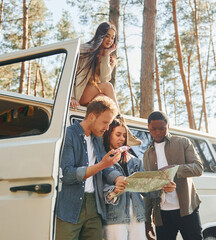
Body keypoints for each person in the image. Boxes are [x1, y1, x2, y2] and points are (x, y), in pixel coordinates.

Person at [55, 96, 126, 240]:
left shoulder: (96, 139)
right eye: (105, 122)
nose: (107, 128)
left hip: (95, 206)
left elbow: (104, 168)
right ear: (92, 116)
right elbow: (68, 175)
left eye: (109, 123)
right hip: (70, 207)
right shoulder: (68, 134)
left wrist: (118, 178)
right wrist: (102, 165)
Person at [143, 111, 204, 240]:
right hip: (162, 214)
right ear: (148, 128)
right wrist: (147, 221)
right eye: (153, 129)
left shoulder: (183, 142)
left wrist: (175, 170)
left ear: (168, 126)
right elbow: (148, 189)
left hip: (187, 210)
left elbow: (198, 168)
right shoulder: (147, 154)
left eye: (162, 128)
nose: (158, 132)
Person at [101, 116, 146, 240]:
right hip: (115, 217)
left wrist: (161, 184)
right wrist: (114, 190)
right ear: (108, 135)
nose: (122, 138)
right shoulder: (102, 159)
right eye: (118, 134)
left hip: (137, 215)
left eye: (124, 135)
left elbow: (146, 190)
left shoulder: (135, 161)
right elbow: (100, 187)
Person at [70, 22, 118, 109]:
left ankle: (114, 120)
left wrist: (106, 55)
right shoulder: (84, 50)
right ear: (100, 35)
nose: (110, 40)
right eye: (107, 36)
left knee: (104, 99)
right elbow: (70, 74)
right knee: (108, 86)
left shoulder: (109, 59)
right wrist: (71, 97)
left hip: (92, 96)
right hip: (79, 94)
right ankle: (119, 118)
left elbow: (104, 79)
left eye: (112, 38)